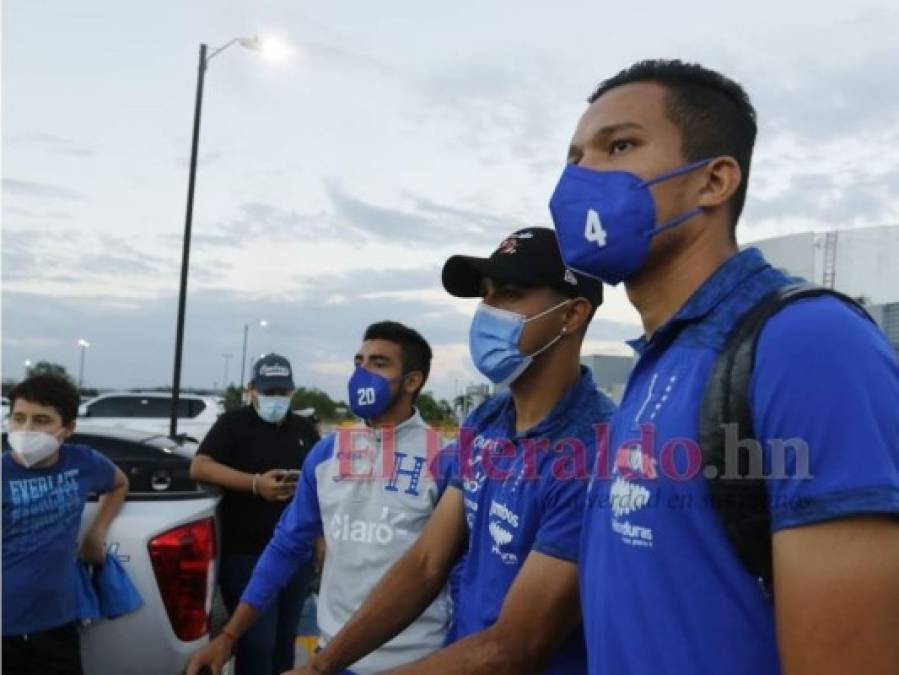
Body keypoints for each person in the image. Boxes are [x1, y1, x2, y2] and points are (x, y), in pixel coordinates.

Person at [550, 59, 899, 675]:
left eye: (620, 145)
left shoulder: (807, 342)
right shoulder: (660, 359)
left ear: (713, 182)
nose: (581, 178)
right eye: (575, 158)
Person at [292, 227, 617, 675]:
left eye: (510, 293)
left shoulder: (594, 451)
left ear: (572, 314)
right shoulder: (487, 421)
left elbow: (514, 647)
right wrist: (322, 665)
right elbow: (427, 563)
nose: (488, 312)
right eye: (485, 296)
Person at [187, 322, 450, 675]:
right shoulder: (327, 452)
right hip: (334, 658)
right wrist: (229, 636)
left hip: (418, 660)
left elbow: (460, 570)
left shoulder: (447, 459)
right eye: (359, 362)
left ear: (412, 381)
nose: (362, 373)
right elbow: (286, 546)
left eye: (379, 363)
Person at [190, 353, 321, 675]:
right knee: (256, 643)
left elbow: (319, 486)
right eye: (268, 391)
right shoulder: (232, 425)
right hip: (247, 551)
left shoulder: (304, 429)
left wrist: (320, 539)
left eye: (281, 392)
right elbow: (200, 466)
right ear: (251, 389)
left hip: (297, 554)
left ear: (292, 392)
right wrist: (254, 484)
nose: (274, 398)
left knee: (284, 641)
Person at [2, 374, 129, 675]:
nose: (26, 429)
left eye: (41, 420)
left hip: (57, 622)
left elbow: (119, 483)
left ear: (68, 428)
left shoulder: (83, 462)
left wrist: (96, 533)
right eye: (18, 418)